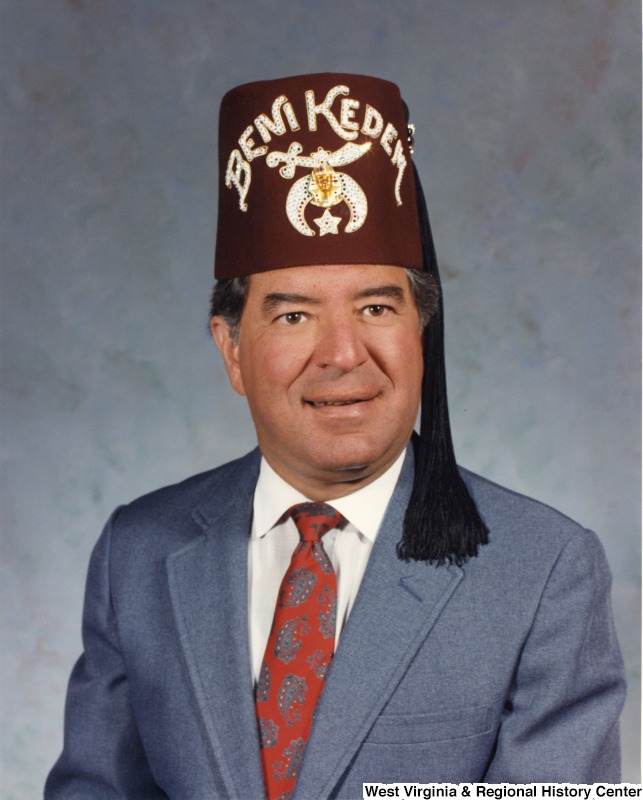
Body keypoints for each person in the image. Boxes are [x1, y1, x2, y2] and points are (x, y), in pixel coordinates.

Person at [46, 73, 625, 799]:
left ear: (421, 330)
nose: (343, 353)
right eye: (293, 317)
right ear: (231, 349)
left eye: (377, 307)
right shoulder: (138, 552)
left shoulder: (542, 571)